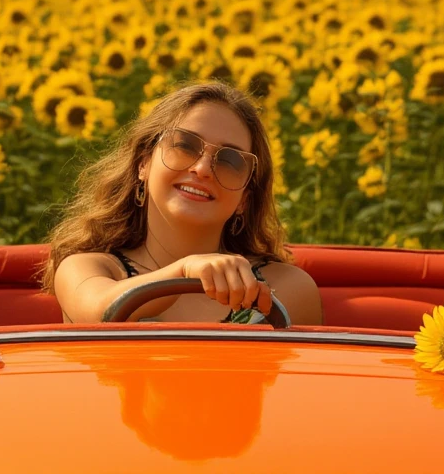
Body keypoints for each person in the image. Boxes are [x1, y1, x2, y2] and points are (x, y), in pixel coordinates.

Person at [41, 81, 323, 325]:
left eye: (230, 160)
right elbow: (100, 313)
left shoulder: (285, 289)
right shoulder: (87, 268)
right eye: (184, 144)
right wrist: (185, 270)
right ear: (144, 163)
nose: (202, 169)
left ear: (245, 200)